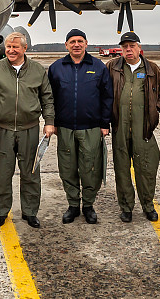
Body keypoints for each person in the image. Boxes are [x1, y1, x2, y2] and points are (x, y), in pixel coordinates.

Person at [0, 32, 55, 229]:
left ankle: (30, 212)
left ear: (24, 48)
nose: (11, 50)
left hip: (29, 129)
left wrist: (49, 121)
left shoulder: (37, 70)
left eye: (15, 47)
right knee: (3, 173)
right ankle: (1, 211)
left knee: (30, 173)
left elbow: (47, 98)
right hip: (4, 129)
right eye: (8, 47)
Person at [47, 29, 112, 224]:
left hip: (91, 127)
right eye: (72, 41)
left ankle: (88, 205)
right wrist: (52, 122)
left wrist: (104, 123)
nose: (76, 44)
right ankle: (73, 205)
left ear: (86, 44)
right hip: (65, 128)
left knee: (90, 168)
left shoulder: (98, 66)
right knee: (67, 168)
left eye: (80, 41)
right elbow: (49, 97)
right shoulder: (56, 68)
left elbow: (107, 96)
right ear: (66, 45)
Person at [107, 31, 160, 222]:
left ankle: (148, 205)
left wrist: (156, 109)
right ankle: (126, 207)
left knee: (146, 168)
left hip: (144, 128)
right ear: (121, 50)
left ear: (140, 48)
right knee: (122, 169)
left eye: (132, 46)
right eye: (125, 47)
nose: (128, 50)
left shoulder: (152, 69)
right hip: (120, 127)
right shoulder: (112, 67)